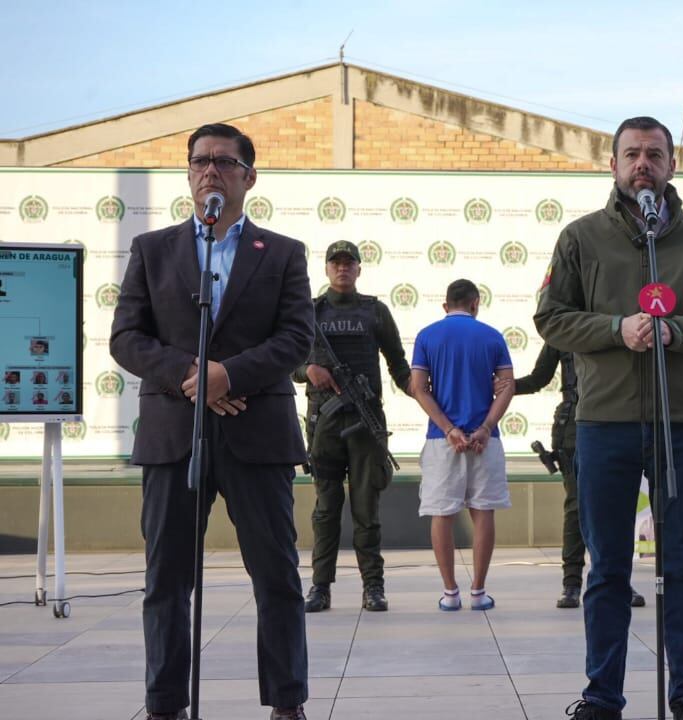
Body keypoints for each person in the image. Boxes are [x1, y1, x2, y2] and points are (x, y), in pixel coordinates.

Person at [534, 116, 683, 720]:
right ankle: (602, 695)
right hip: (604, 423)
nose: (642, 164)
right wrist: (613, 329)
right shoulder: (580, 238)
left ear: (673, 165)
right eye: (632, 154)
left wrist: (676, 332)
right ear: (613, 164)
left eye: (654, 154)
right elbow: (551, 318)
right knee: (608, 569)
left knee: (681, 566)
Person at [110, 123, 312, 720]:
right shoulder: (153, 250)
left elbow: (296, 338)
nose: (210, 172)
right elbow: (126, 338)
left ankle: (286, 703)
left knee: (276, 576)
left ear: (249, 177)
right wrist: (196, 377)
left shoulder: (282, 253)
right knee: (166, 580)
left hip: (259, 434)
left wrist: (231, 375)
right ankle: (165, 704)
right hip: (175, 435)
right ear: (189, 175)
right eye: (200, 162)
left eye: (224, 163)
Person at [295, 240, 411, 614]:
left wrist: (429, 398)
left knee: (366, 509)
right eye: (336, 263)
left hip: (365, 422)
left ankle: (373, 587)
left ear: (359, 269)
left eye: (349, 263)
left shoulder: (374, 312)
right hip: (324, 424)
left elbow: (399, 364)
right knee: (326, 510)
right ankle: (320, 587)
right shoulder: (309, 313)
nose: (342, 269)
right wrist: (307, 370)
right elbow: (286, 361)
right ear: (327, 269)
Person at [409, 278, 514, 612]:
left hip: (443, 441)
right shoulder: (492, 336)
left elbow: (418, 388)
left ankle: (450, 593)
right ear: (475, 303)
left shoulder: (427, 336)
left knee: (442, 514)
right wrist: (484, 427)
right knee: (483, 512)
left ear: (445, 306)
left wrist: (449, 428)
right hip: (486, 440)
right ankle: (479, 592)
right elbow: (507, 386)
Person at [514, 344, 646, 609]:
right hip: (574, 424)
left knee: (617, 508)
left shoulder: (620, 327)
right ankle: (571, 583)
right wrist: (500, 385)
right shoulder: (565, 332)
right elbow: (538, 379)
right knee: (577, 506)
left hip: (618, 420)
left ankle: (617, 578)